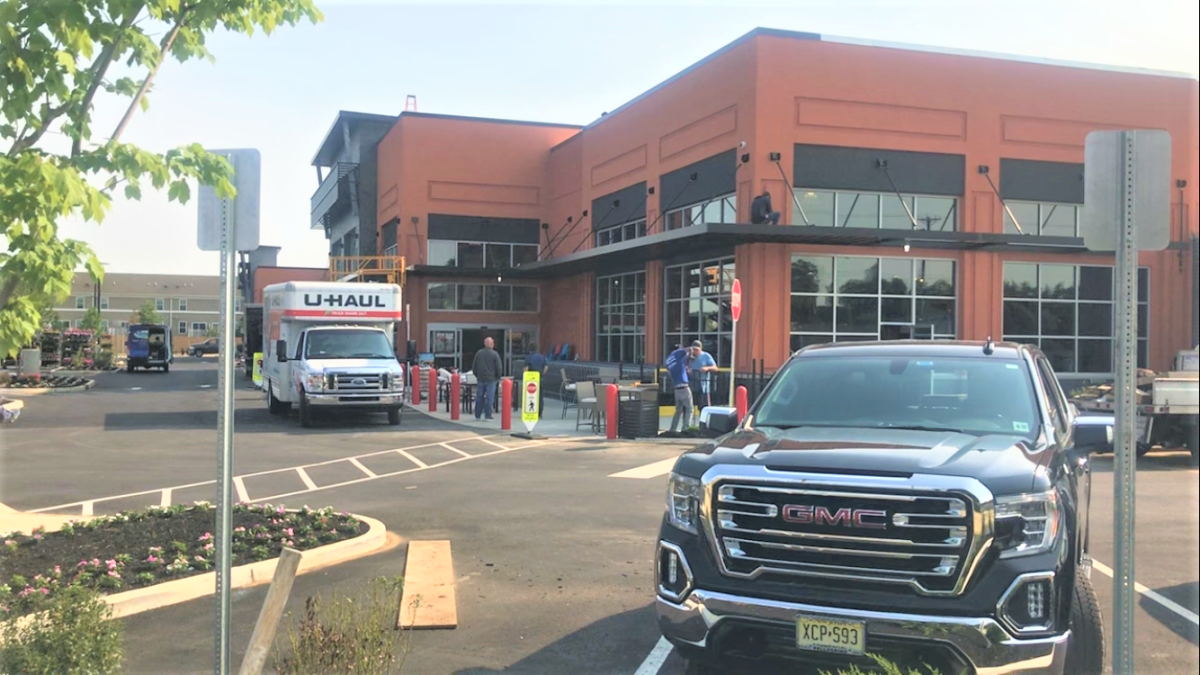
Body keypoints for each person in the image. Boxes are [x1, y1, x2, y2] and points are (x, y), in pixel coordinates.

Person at [471, 336, 502, 421]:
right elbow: (499, 368)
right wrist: (497, 378)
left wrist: (477, 375)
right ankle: (488, 415)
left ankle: (477, 415)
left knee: (479, 397)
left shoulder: (479, 353)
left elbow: (474, 367)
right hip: (491, 379)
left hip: (481, 379)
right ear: (491, 344)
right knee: (489, 398)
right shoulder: (495, 354)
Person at [666, 343, 693, 433]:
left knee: (678, 410)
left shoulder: (668, 360)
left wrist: (685, 367)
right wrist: (689, 357)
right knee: (689, 409)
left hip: (676, 389)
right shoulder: (678, 353)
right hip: (684, 387)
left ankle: (672, 429)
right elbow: (689, 348)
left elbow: (671, 372)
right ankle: (685, 428)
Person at [687, 340, 718, 409]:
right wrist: (687, 370)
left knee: (704, 407)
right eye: (693, 349)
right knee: (689, 407)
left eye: (696, 350)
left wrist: (707, 368)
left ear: (700, 349)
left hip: (703, 386)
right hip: (692, 385)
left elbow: (715, 368)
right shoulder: (688, 357)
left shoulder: (706, 356)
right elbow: (683, 366)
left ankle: (703, 419)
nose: (694, 351)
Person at [524, 342, 547, 419]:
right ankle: (540, 413)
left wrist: (525, 377)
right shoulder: (541, 357)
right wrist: (542, 374)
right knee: (540, 396)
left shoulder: (529, 357)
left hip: (531, 379)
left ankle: (531, 411)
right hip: (540, 378)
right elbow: (546, 367)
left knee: (531, 396)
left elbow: (526, 369)